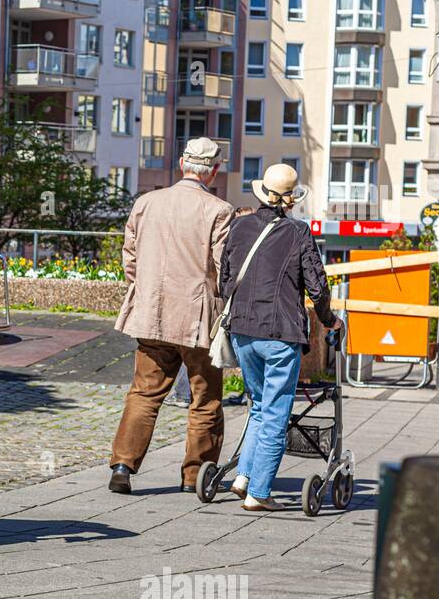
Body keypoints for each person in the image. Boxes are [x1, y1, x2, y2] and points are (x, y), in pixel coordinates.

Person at [109, 137, 236, 494]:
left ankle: (122, 465)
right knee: (205, 398)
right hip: (196, 320)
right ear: (213, 171)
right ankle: (195, 475)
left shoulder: (146, 202)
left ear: (182, 164)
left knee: (144, 393)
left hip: (150, 314)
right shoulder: (218, 211)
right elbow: (222, 268)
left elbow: (130, 258)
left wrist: (148, 289)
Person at [219, 163, 342, 512]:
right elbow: (318, 288)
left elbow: (224, 279)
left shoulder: (239, 226)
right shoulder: (298, 232)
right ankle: (259, 492)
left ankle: (243, 476)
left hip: (242, 331)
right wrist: (328, 320)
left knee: (257, 406)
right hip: (279, 334)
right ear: (289, 200)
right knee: (275, 413)